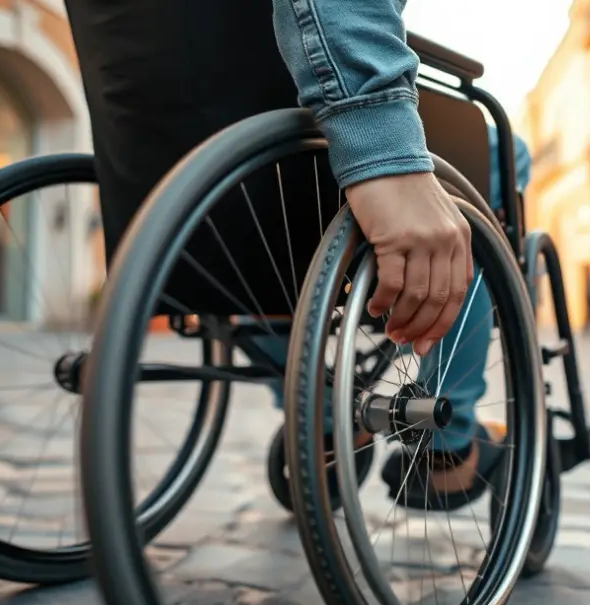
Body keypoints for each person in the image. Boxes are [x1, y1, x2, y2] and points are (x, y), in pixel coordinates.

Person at [64, 0, 529, 510]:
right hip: (307, 148)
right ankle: (448, 444)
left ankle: (327, 419)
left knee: (257, 245)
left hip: (178, 175)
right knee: (508, 156)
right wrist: (383, 144)